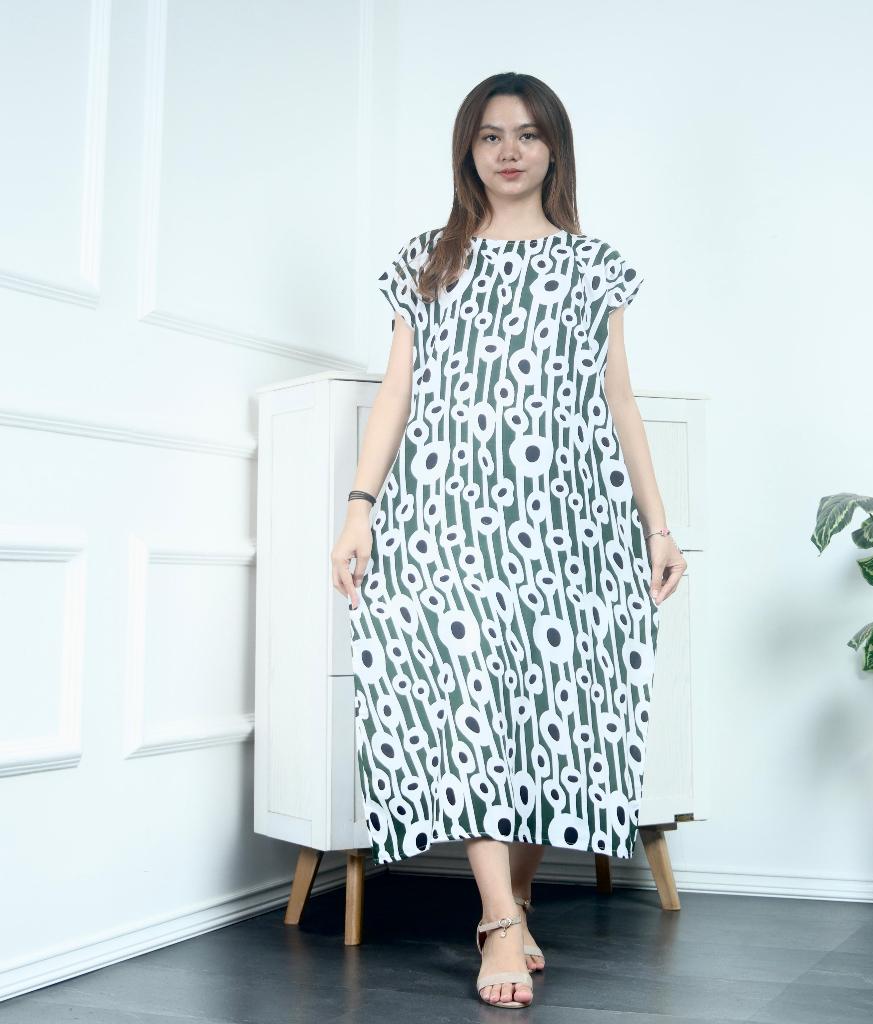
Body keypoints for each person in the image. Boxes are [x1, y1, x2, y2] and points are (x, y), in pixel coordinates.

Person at [331, 71, 687, 1010]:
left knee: (547, 705)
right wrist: (360, 507)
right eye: (491, 135)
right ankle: (496, 917)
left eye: (528, 134)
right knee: (469, 699)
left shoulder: (594, 265)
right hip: (445, 515)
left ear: (554, 148)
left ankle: (515, 900)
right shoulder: (429, 259)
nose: (510, 151)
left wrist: (658, 527)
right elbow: (397, 392)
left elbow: (619, 401)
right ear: (469, 150)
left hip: (571, 519)